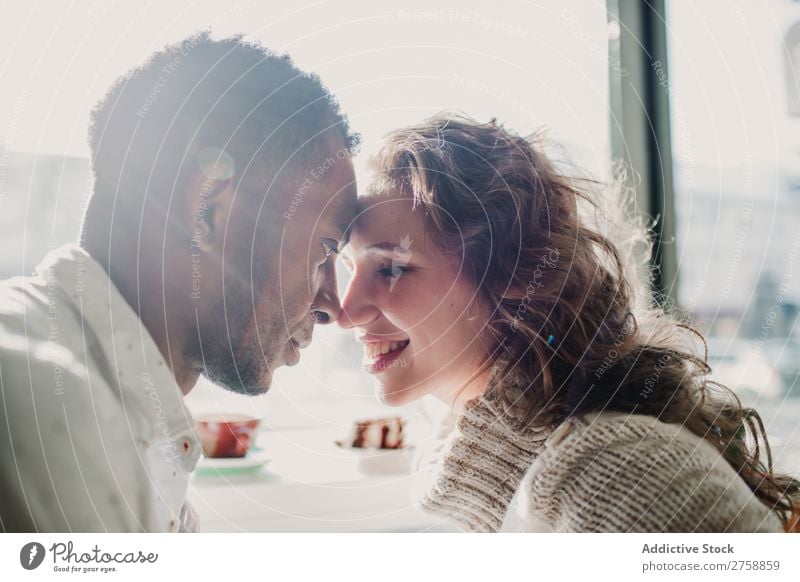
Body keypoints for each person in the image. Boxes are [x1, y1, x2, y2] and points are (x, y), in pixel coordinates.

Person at [337, 113, 800, 532]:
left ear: (509, 280)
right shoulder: (505, 483)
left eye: (392, 268)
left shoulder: (621, 480)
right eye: (347, 267)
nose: (347, 310)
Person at [0, 32, 358, 532]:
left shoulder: (132, 420)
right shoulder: (51, 407)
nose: (334, 306)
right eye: (325, 251)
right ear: (208, 211)